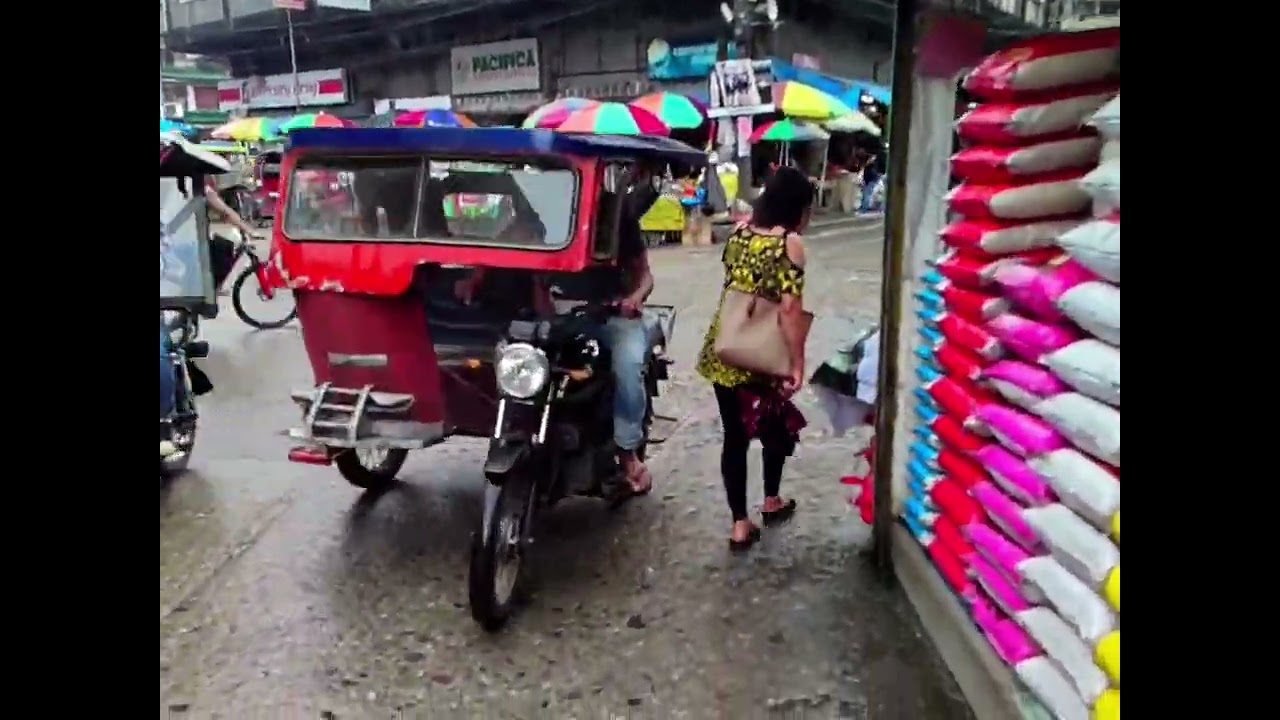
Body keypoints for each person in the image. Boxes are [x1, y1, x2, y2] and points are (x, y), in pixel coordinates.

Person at [455, 161, 662, 499]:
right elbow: (501, 249)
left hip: (611, 316)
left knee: (628, 365)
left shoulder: (617, 219)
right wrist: (472, 281)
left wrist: (635, 298)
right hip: (556, 317)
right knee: (508, 354)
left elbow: (646, 275)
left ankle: (627, 455)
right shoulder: (535, 216)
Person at [696, 166, 813, 551]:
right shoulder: (790, 244)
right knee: (774, 425)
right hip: (763, 354)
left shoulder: (739, 233)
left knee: (735, 436)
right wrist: (796, 363)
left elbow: (734, 281)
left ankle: (739, 523)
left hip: (727, 346)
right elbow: (789, 309)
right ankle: (771, 499)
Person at [203, 176, 262, 289]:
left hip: (178, 236)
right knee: (222, 250)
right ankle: (209, 289)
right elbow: (226, 212)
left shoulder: (184, 184)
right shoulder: (200, 188)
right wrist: (249, 230)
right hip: (184, 239)